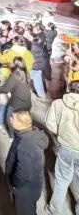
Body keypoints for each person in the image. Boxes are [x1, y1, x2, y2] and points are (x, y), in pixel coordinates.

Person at [45, 80, 79, 215]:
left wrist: (60, 133)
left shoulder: (58, 104)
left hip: (65, 148)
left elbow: (50, 124)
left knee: (62, 181)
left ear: (69, 89)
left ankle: (54, 210)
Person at [5, 110, 48, 215]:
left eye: (13, 118)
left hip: (24, 190)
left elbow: (23, 174)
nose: (10, 119)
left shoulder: (26, 144)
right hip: (33, 186)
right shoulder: (28, 134)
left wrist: (15, 184)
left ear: (21, 123)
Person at [0, 57, 32, 135]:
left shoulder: (15, 75)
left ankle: (12, 136)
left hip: (16, 102)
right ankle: (25, 133)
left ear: (15, 64)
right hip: (27, 101)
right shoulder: (26, 73)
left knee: (10, 118)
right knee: (23, 119)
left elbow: (6, 89)